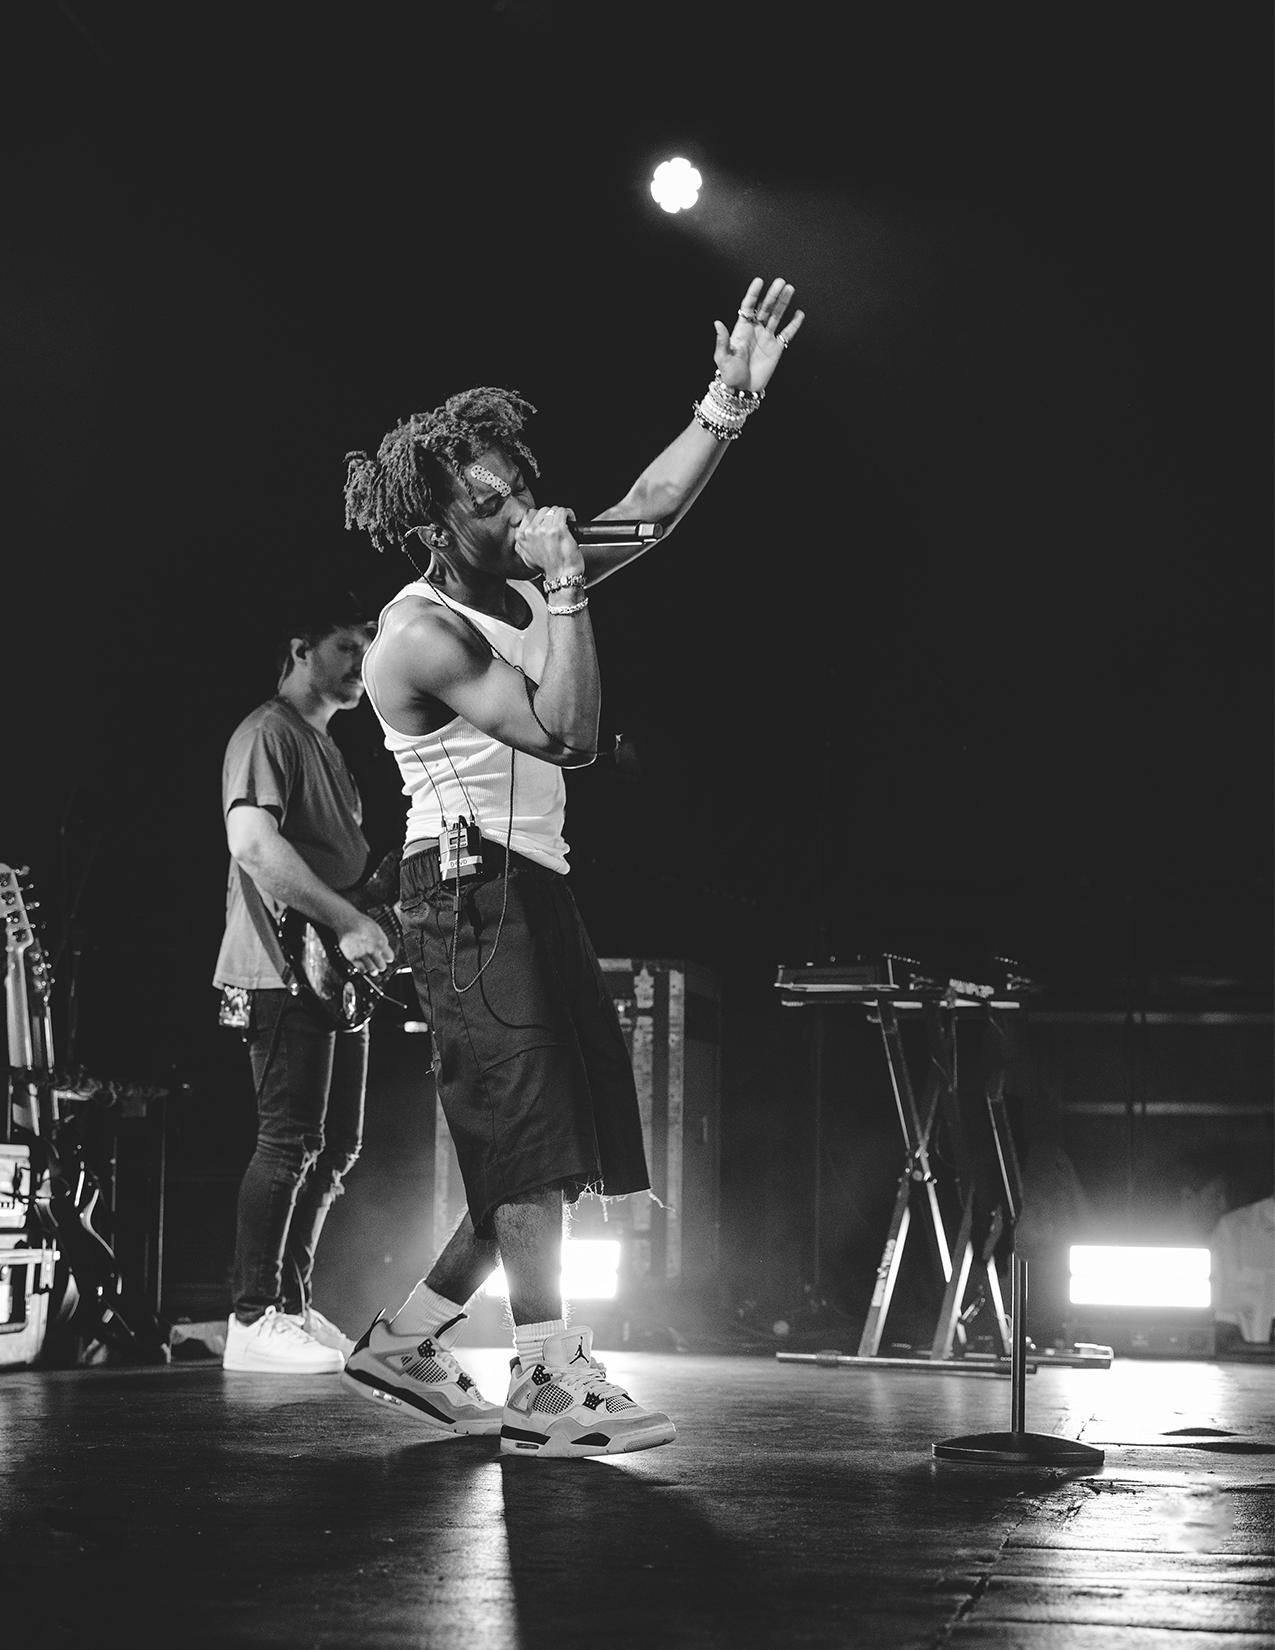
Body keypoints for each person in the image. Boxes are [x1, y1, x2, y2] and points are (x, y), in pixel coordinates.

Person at [340, 275, 804, 1456]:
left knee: (543, 1149)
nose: (522, 511)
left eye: (521, 487)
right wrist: (563, 585)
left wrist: (727, 402)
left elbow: (646, 509)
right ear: (437, 525)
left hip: (528, 885)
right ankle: (545, 1380)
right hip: (461, 894)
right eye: (490, 502)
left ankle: (404, 1341)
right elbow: (572, 735)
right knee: (531, 1145)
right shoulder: (422, 632)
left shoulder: (518, 574)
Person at [213, 594, 399, 1374]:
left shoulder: (328, 748)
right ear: (300, 650)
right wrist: (349, 922)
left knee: (335, 1151)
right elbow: (253, 844)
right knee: (288, 1143)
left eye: (368, 647)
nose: (364, 662)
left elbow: (336, 863)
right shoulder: (268, 732)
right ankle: (250, 1320)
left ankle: (289, 1308)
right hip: (280, 971)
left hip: (332, 979)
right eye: (348, 646)